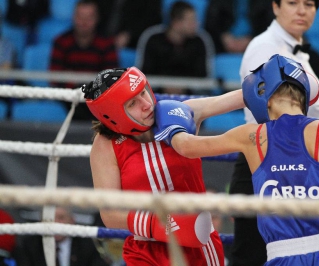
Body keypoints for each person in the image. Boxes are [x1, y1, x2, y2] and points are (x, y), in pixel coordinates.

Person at [153, 54, 319, 265]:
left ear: (264, 97)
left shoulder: (252, 135)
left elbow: (186, 146)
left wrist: (170, 116)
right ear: (303, 96)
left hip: (284, 255)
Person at [81, 66, 246, 265]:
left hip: (197, 246)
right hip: (145, 251)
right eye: (133, 102)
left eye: (143, 92)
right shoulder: (105, 146)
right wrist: (163, 223)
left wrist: (272, 81)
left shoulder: (179, 113)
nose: (146, 104)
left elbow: (239, 97)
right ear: (113, 115)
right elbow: (110, 214)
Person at [227, 0, 319, 264]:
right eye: (292, 2)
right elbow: (272, 111)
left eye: (309, 4)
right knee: (253, 256)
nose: (301, 10)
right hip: (265, 161)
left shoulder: (297, 52)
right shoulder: (265, 48)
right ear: (275, 7)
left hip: (289, 164)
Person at [49, 0, 119, 120]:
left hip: (98, 99)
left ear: (97, 19)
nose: (84, 22)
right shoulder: (61, 42)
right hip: (68, 98)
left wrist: (80, 83)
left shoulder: (107, 44)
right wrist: (80, 86)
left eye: (89, 18)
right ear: (73, 17)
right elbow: (55, 77)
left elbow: (111, 79)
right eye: (80, 17)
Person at [136, 1, 214, 95]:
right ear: (176, 22)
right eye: (191, 20)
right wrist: (163, 86)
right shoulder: (152, 39)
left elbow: (204, 77)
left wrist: (184, 87)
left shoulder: (200, 41)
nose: (196, 24)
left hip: (191, 98)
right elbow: (142, 75)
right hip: (155, 97)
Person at [15, 207, 110, 266]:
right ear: (41, 222)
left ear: (72, 221)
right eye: (49, 219)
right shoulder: (29, 245)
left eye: (61, 218)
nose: (55, 223)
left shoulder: (88, 245)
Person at [204, 0, 274, 54]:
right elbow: (211, 23)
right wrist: (223, 37)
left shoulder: (266, 2)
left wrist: (252, 39)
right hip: (222, 47)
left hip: (257, 47)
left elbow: (271, 24)